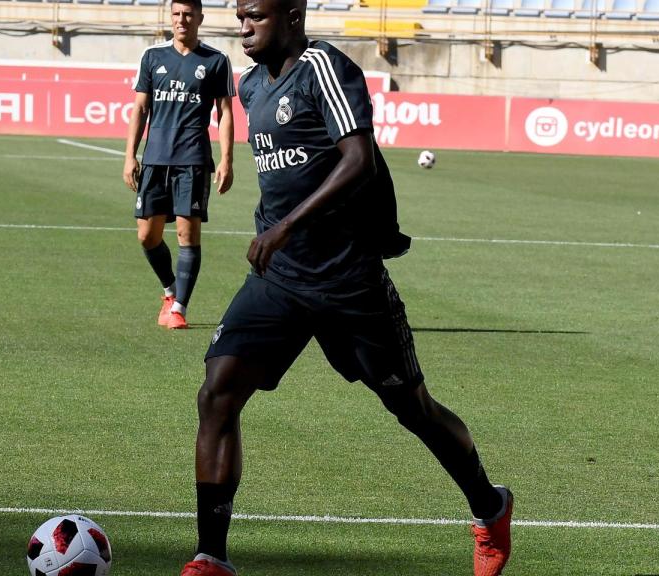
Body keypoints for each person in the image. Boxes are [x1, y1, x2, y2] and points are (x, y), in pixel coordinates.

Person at [179, 0, 513, 575]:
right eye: (239, 17)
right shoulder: (251, 85)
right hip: (280, 279)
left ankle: (490, 506)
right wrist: (279, 232)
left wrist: (287, 226)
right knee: (217, 393)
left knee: (413, 409)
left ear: (292, 15)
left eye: (255, 16)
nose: (243, 28)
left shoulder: (325, 68)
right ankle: (211, 556)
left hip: (347, 281)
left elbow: (359, 160)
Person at [123, 0, 236, 330]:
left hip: (192, 160)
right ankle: (170, 292)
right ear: (170, 17)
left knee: (188, 234)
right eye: (176, 14)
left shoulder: (216, 60)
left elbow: (225, 113)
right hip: (155, 159)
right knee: (147, 236)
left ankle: (179, 309)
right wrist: (130, 155)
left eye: (188, 14)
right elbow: (140, 109)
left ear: (200, 17)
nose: (182, 20)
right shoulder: (152, 57)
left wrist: (227, 159)